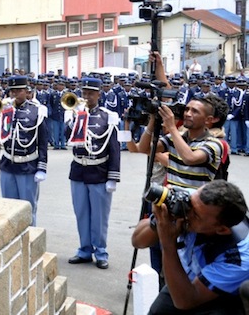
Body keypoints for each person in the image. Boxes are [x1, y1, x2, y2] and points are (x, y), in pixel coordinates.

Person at [131, 180, 249, 314]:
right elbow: (137, 241)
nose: (186, 213)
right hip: (186, 275)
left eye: (196, 215)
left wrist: (167, 242)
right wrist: (158, 221)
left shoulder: (238, 258)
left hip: (220, 296)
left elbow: (185, 301)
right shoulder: (192, 201)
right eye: (190, 204)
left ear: (221, 229)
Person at [65, 77, 121, 270]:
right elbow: (67, 137)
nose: (87, 97)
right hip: (79, 170)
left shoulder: (107, 116)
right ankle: (84, 249)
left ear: (99, 94)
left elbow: (114, 148)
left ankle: (101, 251)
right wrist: (73, 120)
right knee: (81, 213)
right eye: (84, 93)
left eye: (91, 93)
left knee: (99, 216)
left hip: (99, 171)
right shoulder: (76, 115)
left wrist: (113, 177)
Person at [137, 92, 227, 190]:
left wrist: (172, 127)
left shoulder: (214, 143)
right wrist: (152, 121)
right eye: (187, 109)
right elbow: (144, 149)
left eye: (195, 111)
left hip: (196, 198)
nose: (188, 114)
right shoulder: (175, 137)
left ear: (208, 120)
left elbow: (190, 159)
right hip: (172, 197)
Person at [0, 75, 50, 226]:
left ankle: (30, 237)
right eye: (12, 91)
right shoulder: (6, 110)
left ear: (26, 92)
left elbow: (43, 141)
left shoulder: (36, 111)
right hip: (8, 164)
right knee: (8, 208)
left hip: (27, 166)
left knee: (28, 208)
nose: (15, 94)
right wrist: (3, 115)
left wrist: (42, 167)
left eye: (19, 91)